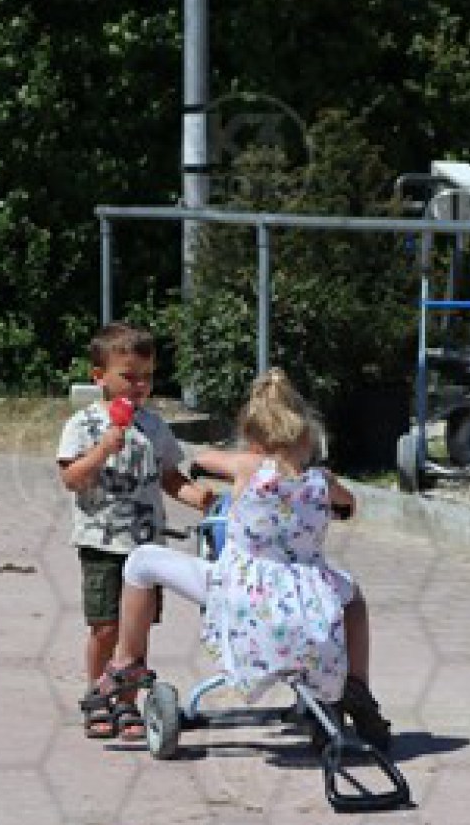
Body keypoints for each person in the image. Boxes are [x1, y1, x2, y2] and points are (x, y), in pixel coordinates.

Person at [104, 368, 392, 751]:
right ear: (307, 436)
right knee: (352, 597)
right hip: (308, 601)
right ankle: (356, 687)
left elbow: (203, 459)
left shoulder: (247, 466)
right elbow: (349, 506)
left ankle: (126, 662)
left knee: (142, 562)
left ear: (253, 440)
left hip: (244, 596)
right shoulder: (322, 481)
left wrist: (203, 467)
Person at [58, 322, 214, 740]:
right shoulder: (83, 425)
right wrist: (103, 449)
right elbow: (72, 478)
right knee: (105, 627)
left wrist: (200, 498)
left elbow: (170, 478)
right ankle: (98, 694)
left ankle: (126, 702)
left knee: (135, 630)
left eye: (147, 376)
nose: (139, 385)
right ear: (99, 376)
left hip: (146, 549)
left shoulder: (154, 426)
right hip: (101, 542)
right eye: (129, 376)